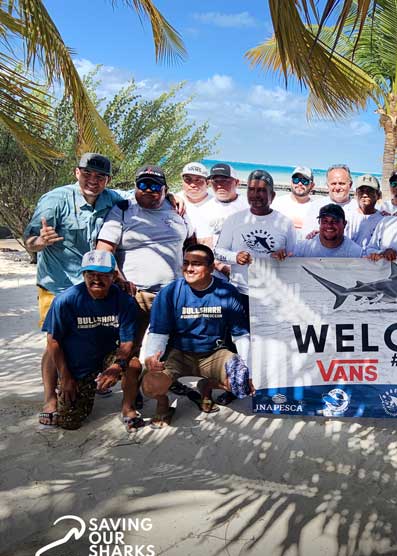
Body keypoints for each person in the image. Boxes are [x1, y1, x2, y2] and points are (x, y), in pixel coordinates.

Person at [24, 152, 127, 428]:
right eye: (88, 174)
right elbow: (29, 240)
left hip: (94, 284)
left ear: (107, 179)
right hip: (58, 283)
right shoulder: (55, 200)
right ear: (76, 172)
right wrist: (40, 242)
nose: (93, 180)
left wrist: (170, 198)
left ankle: (92, 380)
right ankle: (49, 397)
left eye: (100, 176)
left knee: (97, 335)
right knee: (55, 341)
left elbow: (137, 195)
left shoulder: (113, 199)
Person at [95, 165, 195, 405]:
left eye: (155, 185)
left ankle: (159, 385)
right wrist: (118, 278)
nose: (149, 190)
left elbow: (191, 244)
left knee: (170, 347)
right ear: (135, 186)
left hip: (174, 295)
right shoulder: (123, 210)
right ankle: (131, 394)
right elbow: (104, 249)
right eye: (143, 184)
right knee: (131, 347)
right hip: (137, 294)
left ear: (165, 189)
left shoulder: (177, 209)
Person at [141, 244, 251, 426]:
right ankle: (163, 403)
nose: (189, 268)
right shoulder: (169, 292)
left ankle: (206, 386)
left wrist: (249, 369)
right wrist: (152, 358)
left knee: (242, 383)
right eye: (186, 263)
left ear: (210, 268)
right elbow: (159, 332)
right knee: (150, 385)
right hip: (178, 353)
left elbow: (240, 334)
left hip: (214, 353)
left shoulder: (227, 292)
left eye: (197, 264)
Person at [41, 250, 141, 431]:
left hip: (107, 355)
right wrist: (65, 377)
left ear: (114, 276)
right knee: (69, 423)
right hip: (77, 361)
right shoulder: (65, 300)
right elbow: (53, 341)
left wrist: (116, 367)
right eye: (91, 274)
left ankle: (128, 408)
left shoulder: (125, 301)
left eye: (103, 275)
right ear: (83, 275)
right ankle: (51, 398)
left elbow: (127, 342)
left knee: (133, 365)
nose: (96, 279)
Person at [214, 170, 295, 311]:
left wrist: (284, 257)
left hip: (272, 295)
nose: (255, 195)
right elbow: (218, 253)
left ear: (273, 195)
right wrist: (235, 257)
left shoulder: (286, 223)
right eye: (251, 189)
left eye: (262, 190)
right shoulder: (234, 220)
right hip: (239, 293)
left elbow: (295, 258)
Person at [293, 204, 364, 257]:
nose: (329, 225)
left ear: (344, 224)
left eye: (335, 221)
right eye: (325, 221)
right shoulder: (302, 248)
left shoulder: (356, 252)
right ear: (319, 223)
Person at [272, 166, 322, 239]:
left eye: (304, 181)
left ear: (312, 185)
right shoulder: (276, 203)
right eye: (296, 180)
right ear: (291, 182)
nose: (299, 183)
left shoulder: (317, 209)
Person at [174, 162, 215, 244]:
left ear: (207, 183)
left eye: (198, 180)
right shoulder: (172, 201)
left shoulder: (217, 204)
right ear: (182, 181)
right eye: (188, 180)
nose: (192, 184)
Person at [346, 175, 385, 251]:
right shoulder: (347, 217)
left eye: (370, 191)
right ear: (356, 194)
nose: (365, 194)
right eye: (361, 191)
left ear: (378, 195)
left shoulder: (384, 220)